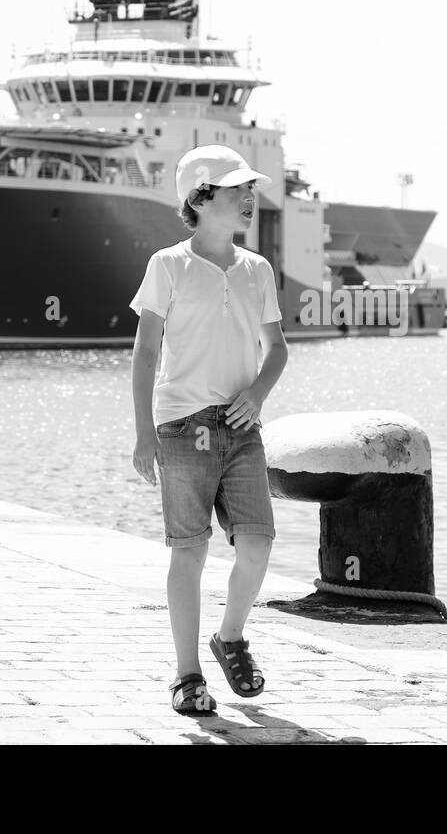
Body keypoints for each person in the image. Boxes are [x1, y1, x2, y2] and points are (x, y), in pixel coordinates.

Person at [129, 145, 289, 715]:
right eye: (234, 190)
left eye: (249, 188)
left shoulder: (258, 269)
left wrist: (257, 393)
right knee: (188, 552)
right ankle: (188, 675)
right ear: (199, 199)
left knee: (258, 542)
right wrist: (145, 433)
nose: (249, 198)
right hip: (180, 426)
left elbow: (277, 349)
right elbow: (146, 351)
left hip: (242, 425)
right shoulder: (166, 265)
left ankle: (231, 638)